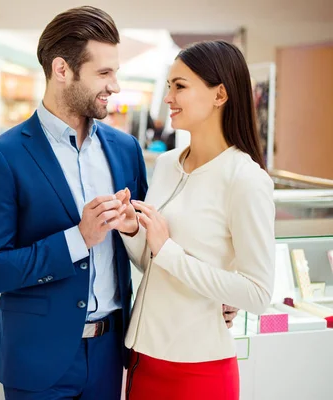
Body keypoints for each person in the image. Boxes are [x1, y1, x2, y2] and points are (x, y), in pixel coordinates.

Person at [0, 6, 147, 399]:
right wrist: (78, 238)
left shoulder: (126, 150)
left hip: (109, 354)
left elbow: (149, 245)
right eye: (104, 73)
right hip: (36, 362)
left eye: (115, 72)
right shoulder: (1, 157)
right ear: (62, 69)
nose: (114, 86)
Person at [116, 40, 275, 400]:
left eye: (180, 86)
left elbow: (258, 293)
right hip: (142, 359)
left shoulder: (245, 178)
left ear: (219, 94)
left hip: (198, 371)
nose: (168, 98)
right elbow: (152, 262)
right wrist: (131, 229)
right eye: (169, 86)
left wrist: (169, 251)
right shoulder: (167, 163)